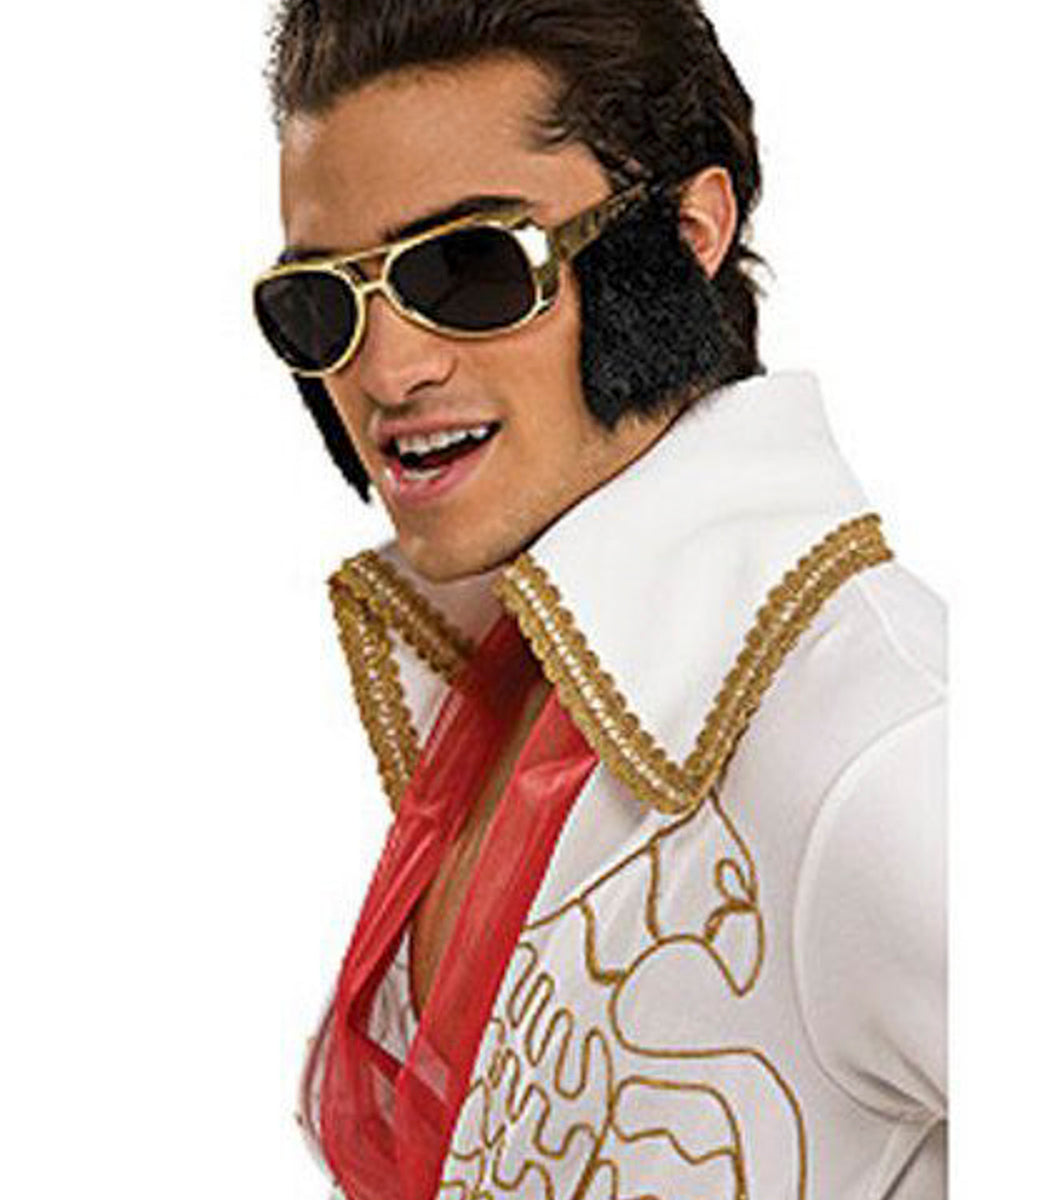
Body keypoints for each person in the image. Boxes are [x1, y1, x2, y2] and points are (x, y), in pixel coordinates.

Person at [252, 2, 947, 1198]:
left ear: (688, 231)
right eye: (325, 301)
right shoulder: (528, 694)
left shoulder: (882, 747)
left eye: (471, 268)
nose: (388, 370)